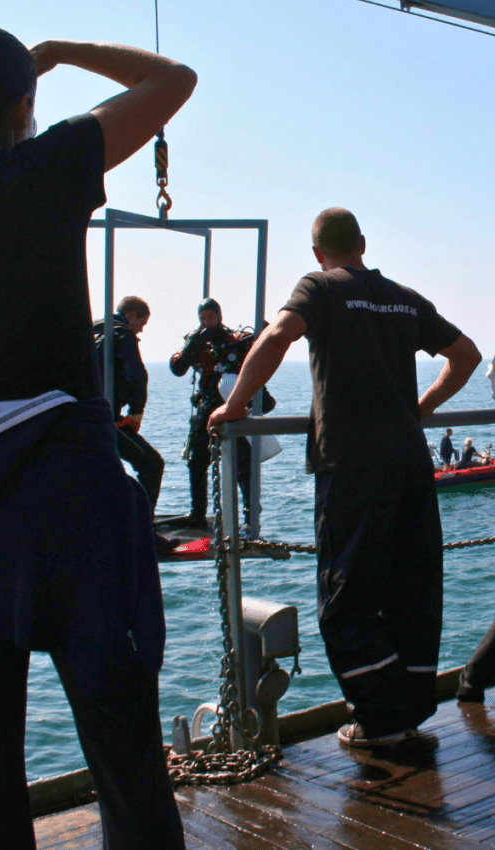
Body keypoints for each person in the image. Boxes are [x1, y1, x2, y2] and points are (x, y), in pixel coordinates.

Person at [0, 25, 195, 850]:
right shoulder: (49, 166)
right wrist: (58, 49)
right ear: (24, 102)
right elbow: (175, 78)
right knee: (125, 751)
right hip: (69, 501)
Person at [209, 207, 481, 748]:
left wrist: (235, 404)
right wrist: (420, 407)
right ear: (362, 242)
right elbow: (467, 355)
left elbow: (278, 334)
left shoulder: (320, 286)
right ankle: (408, 711)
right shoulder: (403, 296)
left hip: (353, 464)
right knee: (414, 587)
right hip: (409, 461)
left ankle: (380, 721)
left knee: (345, 597)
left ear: (317, 253)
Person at [169, 297, 275, 530]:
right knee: (196, 460)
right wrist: (192, 346)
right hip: (206, 410)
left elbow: (255, 371)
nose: (207, 322)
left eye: (211, 316)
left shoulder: (235, 341)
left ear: (219, 315)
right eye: (203, 318)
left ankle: (250, 518)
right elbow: (177, 369)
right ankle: (197, 513)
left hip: (232, 408)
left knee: (242, 466)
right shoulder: (195, 342)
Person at [93, 296, 164, 516]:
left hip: (84, 415)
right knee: (152, 464)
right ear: (132, 315)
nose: (140, 331)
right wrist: (136, 413)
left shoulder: (94, 331)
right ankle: (143, 529)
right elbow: (137, 375)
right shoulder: (123, 334)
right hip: (106, 418)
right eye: (141, 324)